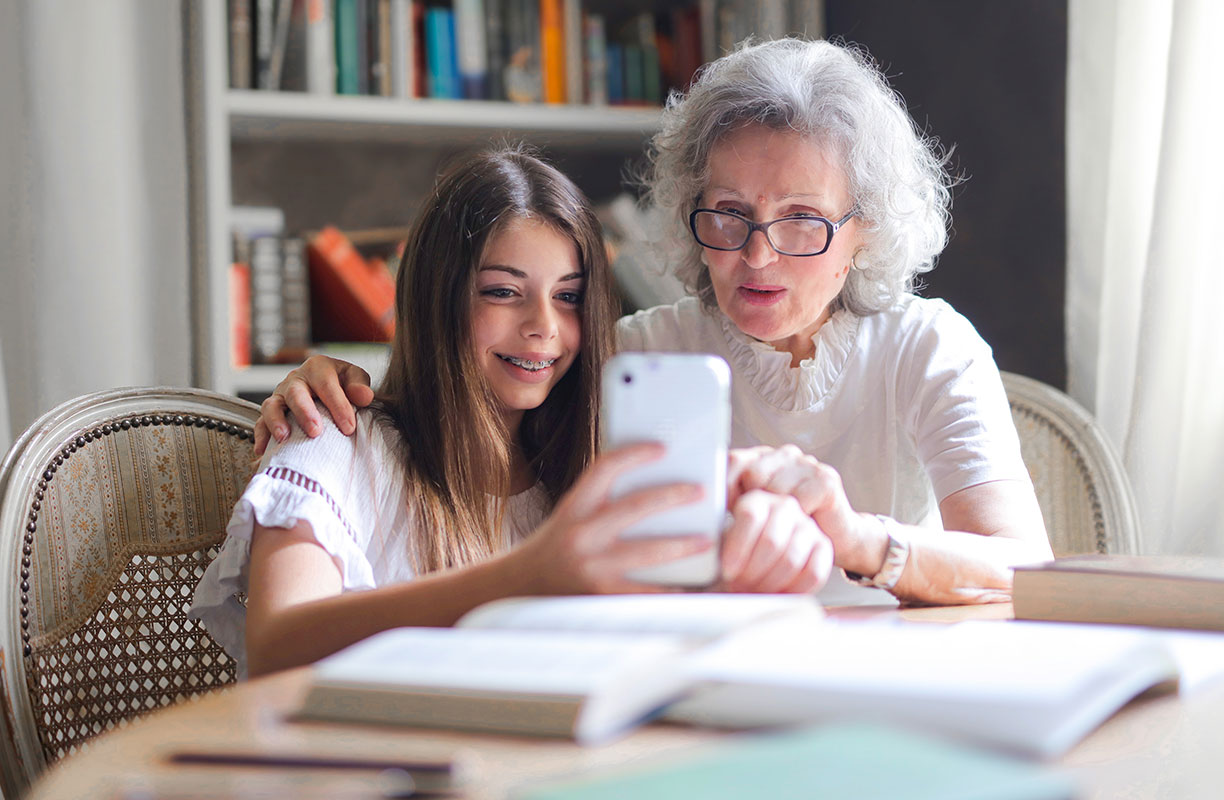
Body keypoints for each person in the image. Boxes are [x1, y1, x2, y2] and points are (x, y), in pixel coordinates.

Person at [256, 39, 1054, 607]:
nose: (758, 257)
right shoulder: (632, 355)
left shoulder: (927, 345)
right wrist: (330, 382)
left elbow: (1023, 569)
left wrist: (857, 540)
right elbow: (471, 413)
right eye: (729, 215)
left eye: (803, 221)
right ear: (687, 209)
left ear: (865, 230)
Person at [190, 147, 831, 679]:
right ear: (437, 297)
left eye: (570, 298)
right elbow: (277, 645)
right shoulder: (335, 439)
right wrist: (528, 576)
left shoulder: (584, 470)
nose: (543, 329)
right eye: (503, 292)